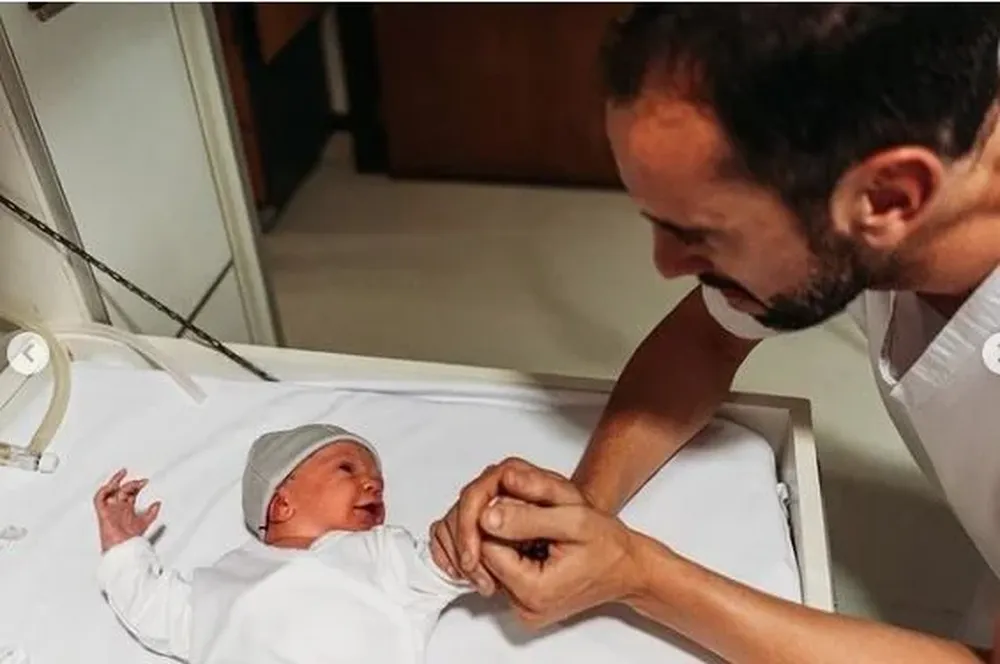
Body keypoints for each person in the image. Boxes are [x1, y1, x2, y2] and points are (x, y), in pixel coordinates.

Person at [429, 5, 1000, 663]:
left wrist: (638, 574)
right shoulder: (905, 146)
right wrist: (581, 509)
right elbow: (705, 341)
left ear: (890, 197)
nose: (666, 265)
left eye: (700, 234)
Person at [93, 424, 468, 664]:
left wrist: (481, 520)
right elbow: (155, 608)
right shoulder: (219, 582)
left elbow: (446, 557)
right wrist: (123, 545)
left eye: (377, 481)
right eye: (347, 468)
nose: (375, 485)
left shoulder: (381, 553)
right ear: (281, 503)